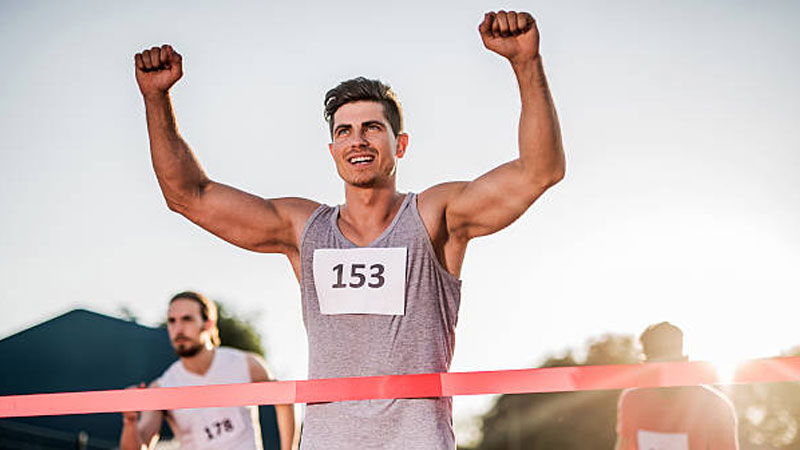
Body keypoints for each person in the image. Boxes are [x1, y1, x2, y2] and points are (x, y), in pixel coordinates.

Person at [133, 10, 564, 449]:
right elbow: (188, 195)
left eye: (371, 128)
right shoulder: (304, 229)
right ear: (333, 149)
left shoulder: (435, 216)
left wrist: (526, 63)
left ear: (400, 144)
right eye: (345, 131)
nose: (357, 140)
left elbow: (539, 170)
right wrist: (156, 99)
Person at [119, 291, 295, 450]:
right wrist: (130, 421)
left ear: (208, 323)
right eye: (172, 321)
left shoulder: (246, 364)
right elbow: (140, 446)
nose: (178, 329)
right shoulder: (162, 387)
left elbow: (286, 399)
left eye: (187, 319)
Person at [615, 322, 739, 450]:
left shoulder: (716, 407)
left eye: (670, 364)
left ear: (685, 360)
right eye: (657, 369)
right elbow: (624, 446)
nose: (664, 378)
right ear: (645, 365)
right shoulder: (632, 400)